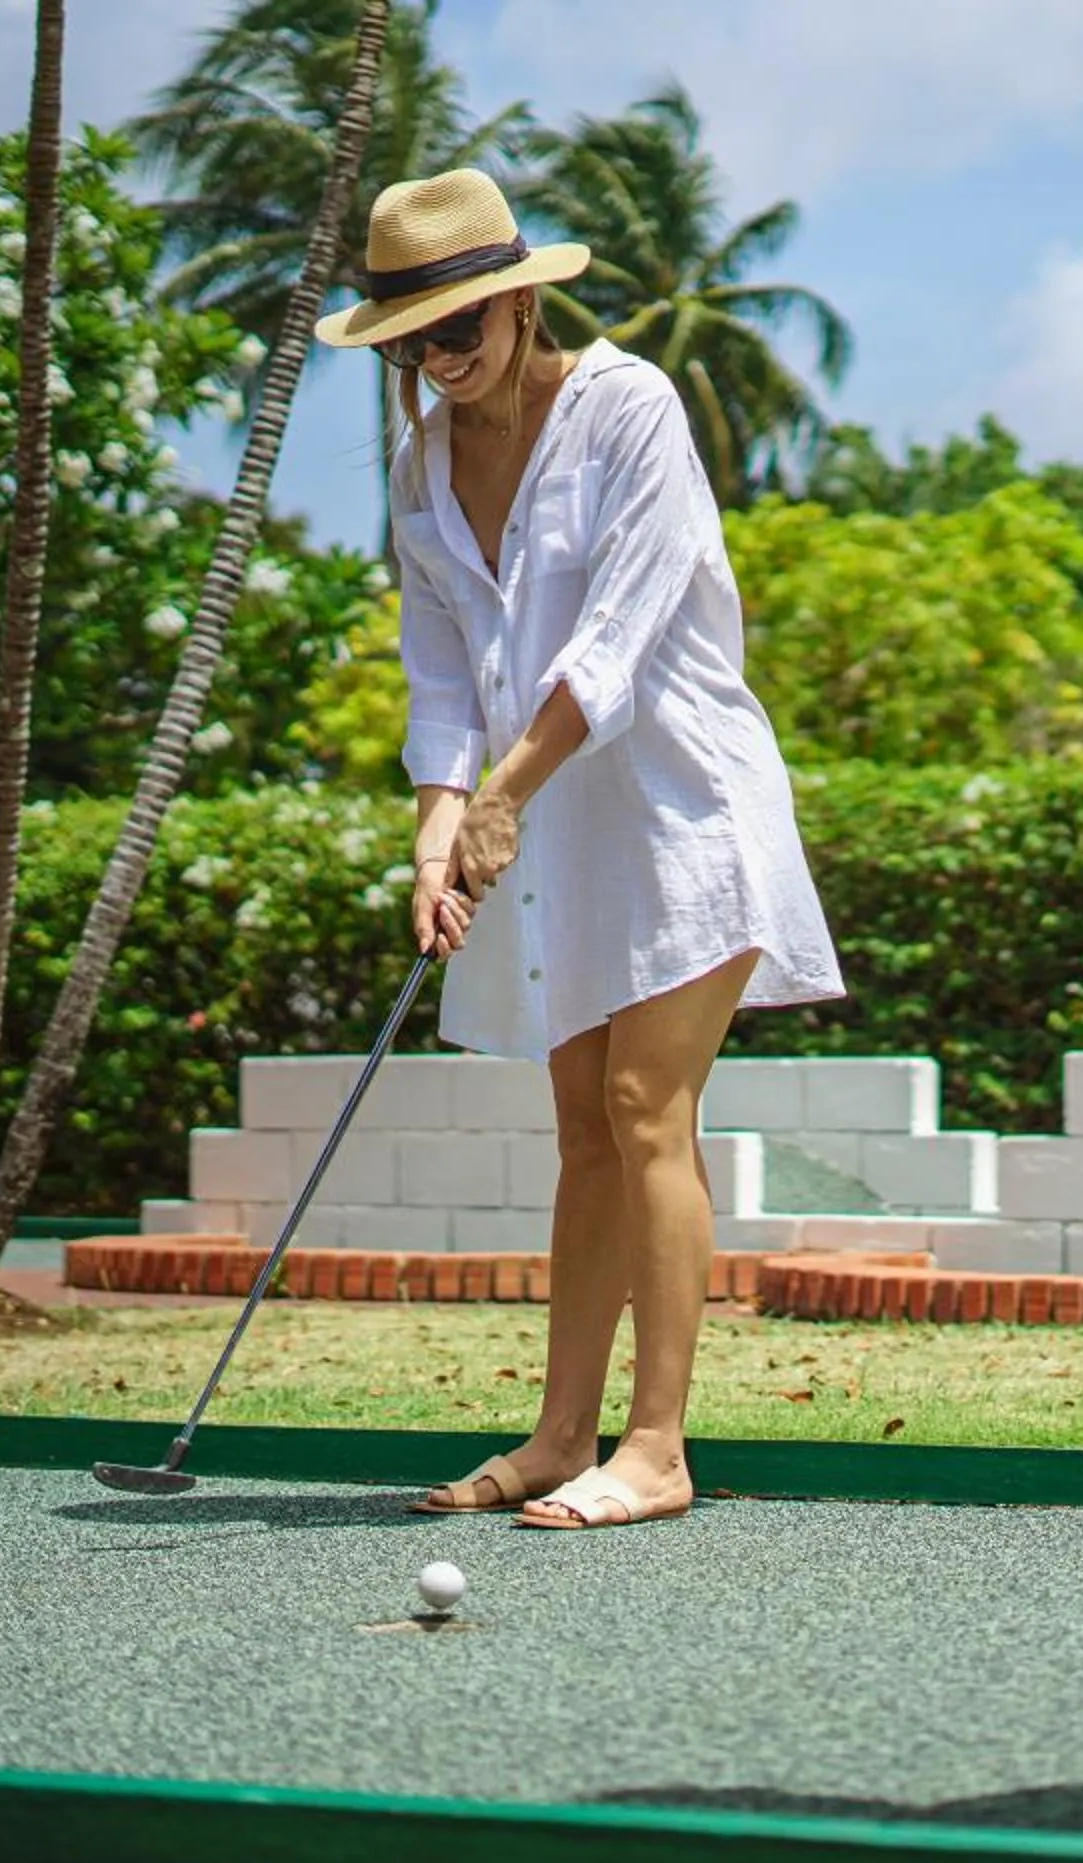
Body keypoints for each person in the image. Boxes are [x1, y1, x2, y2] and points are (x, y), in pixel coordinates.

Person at [314, 170, 843, 1532]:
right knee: (581, 1130)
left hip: (680, 810)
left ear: (520, 296)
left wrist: (499, 797)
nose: (437, 361)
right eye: (410, 340)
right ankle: (562, 1433)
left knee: (645, 1110)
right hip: (548, 826)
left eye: (457, 327)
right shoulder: (420, 465)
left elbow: (616, 637)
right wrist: (439, 821)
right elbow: (438, 666)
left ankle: (656, 1447)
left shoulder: (630, 410)